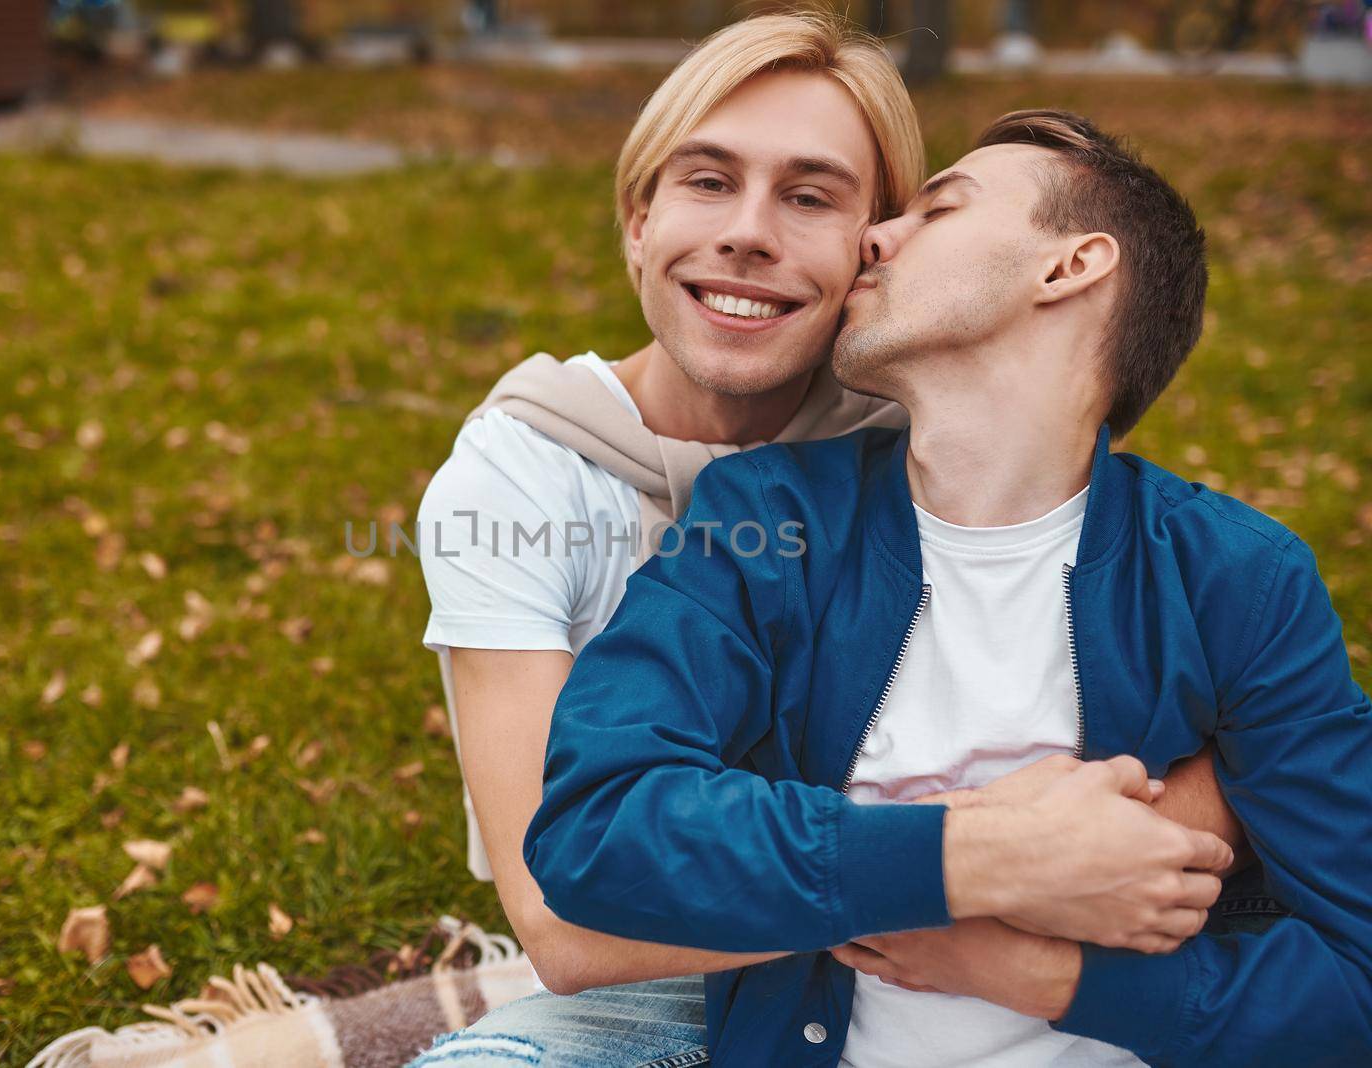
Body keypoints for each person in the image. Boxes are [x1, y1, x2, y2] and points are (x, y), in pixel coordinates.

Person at [409, 14, 1246, 1067]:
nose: (748, 233)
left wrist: (1025, 898)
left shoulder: (928, 433)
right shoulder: (521, 476)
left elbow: (1216, 747)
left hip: (939, 988)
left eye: (809, 197)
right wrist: (987, 866)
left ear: (878, 248)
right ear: (637, 221)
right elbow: (564, 924)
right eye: (706, 181)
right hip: (665, 974)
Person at [522, 109, 1372, 1065]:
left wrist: (1041, 975)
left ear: (1070, 266)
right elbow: (598, 826)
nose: (872, 236)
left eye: (940, 208)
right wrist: (981, 860)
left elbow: (1357, 982)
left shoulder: (1234, 580)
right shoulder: (766, 521)